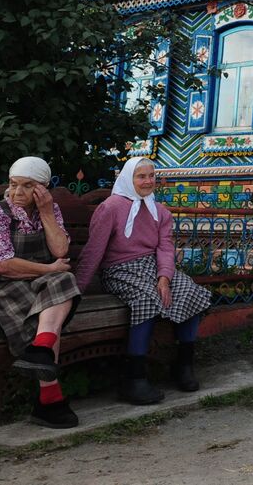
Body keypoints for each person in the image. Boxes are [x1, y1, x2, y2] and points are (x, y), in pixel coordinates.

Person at [75, 158, 212, 404]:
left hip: (153, 268)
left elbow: (165, 249)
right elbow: (94, 250)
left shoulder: (160, 211)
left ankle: (183, 365)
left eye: (151, 176)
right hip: (119, 270)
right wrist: (78, 289)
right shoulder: (110, 208)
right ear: (129, 178)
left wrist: (164, 277)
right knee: (146, 298)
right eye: (141, 176)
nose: (148, 181)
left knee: (191, 291)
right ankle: (134, 378)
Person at [0, 156, 81, 429]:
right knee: (47, 299)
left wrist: (46, 213)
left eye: (27, 186)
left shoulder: (49, 211)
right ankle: (49, 400)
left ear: (42, 188)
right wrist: (49, 269)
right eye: (13, 184)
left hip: (33, 278)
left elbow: (61, 251)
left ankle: (40, 350)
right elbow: (3, 266)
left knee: (65, 280)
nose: (17, 193)